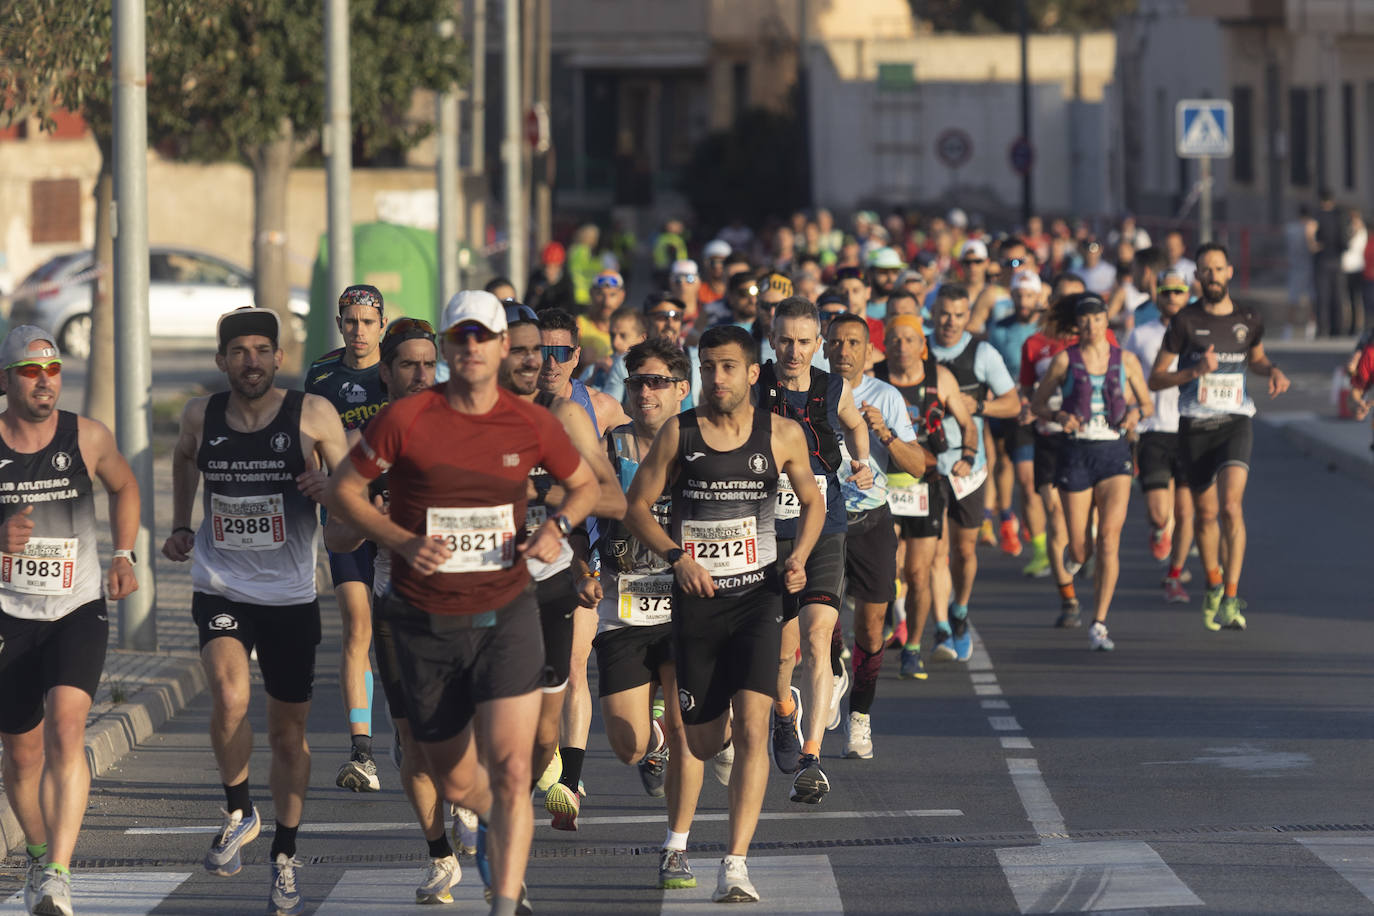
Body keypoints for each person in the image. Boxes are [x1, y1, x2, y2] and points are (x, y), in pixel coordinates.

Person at [326, 290, 600, 916]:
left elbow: (584, 486)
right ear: (450, 348)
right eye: (462, 338)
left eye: (484, 337)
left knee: (510, 770)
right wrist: (400, 539)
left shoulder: (529, 422)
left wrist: (555, 532)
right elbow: (346, 492)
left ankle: (505, 896)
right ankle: (478, 821)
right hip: (423, 620)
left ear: (502, 347)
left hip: (507, 614)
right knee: (447, 772)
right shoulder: (406, 420)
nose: (472, 348)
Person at [623, 324, 823, 903]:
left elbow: (811, 501)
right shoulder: (677, 435)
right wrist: (676, 558)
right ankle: (724, 733)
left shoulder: (781, 434)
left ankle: (734, 863)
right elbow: (637, 507)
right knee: (706, 742)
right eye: (708, 367)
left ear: (753, 373)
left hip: (759, 600)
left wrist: (800, 559)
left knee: (756, 729)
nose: (717, 378)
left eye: (728, 367)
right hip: (698, 607)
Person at [163, 308, 350, 916]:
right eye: (239, 351)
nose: (250, 361)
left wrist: (333, 493)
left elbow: (356, 486)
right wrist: (180, 524)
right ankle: (239, 808)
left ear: (278, 358)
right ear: (222, 361)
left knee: (288, 734)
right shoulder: (202, 414)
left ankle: (285, 855)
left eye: (261, 350)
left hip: (292, 594)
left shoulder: (313, 415)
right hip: (221, 584)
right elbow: (184, 457)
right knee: (229, 694)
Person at [322, 317, 471, 904]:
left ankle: (464, 794)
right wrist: (372, 514)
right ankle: (440, 857)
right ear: (384, 373)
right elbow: (336, 537)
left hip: (469, 602)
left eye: (426, 364)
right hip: (398, 609)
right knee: (412, 742)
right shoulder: (366, 449)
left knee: (468, 730)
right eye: (406, 365)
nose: (419, 375)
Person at [0, 326, 140, 916]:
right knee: (21, 752)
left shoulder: (85, 436)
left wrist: (124, 553)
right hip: (9, 613)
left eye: (53, 370)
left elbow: (126, 484)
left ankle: (57, 871)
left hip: (77, 605)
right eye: (32, 372)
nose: (45, 382)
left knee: (66, 725)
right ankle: (35, 852)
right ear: (7, 379)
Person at [584, 339, 710, 888]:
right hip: (623, 610)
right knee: (626, 742)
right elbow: (581, 513)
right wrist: (581, 568)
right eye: (637, 381)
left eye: (658, 381)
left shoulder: (704, 448)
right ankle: (651, 741)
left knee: (689, 731)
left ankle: (677, 845)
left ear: (683, 389)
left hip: (688, 610)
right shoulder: (608, 448)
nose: (646, 391)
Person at [496, 304, 625, 833]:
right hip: (489, 572)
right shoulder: (476, 411)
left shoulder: (592, 408)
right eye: (530, 351)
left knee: (573, 668)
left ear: (574, 356)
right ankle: (486, 798)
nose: (543, 362)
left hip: (574, 558)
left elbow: (620, 489)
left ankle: (565, 779)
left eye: (553, 352)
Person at [757, 298, 873, 801]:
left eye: (805, 341)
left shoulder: (833, 388)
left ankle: (811, 757)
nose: (794, 351)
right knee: (781, 653)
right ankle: (784, 710)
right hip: (765, 525)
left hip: (823, 522)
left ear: (817, 341)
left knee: (819, 633)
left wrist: (861, 462)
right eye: (785, 340)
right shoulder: (753, 386)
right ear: (772, 337)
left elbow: (855, 423)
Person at [1149, 243, 1289, 631]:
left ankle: (1230, 595)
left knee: (1230, 508)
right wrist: (1194, 372)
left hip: (1235, 421)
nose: (1212, 276)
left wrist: (1273, 370)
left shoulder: (1248, 318)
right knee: (1206, 515)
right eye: (1204, 270)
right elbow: (1156, 378)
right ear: (1197, 277)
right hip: (1195, 425)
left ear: (1230, 272)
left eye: (1218, 268)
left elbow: (1256, 358)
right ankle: (1212, 582)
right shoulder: (1185, 322)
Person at [825, 313, 931, 754]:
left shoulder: (885, 396)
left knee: (870, 632)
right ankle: (829, 675)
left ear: (870, 352)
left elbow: (918, 466)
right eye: (836, 342)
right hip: (821, 521)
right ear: (823, 347)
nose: (844, 351)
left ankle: (860, 716)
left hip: (872, 521)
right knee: (817, 622)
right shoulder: (807, 391)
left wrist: (883, 432)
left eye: (854, 343)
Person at [303, 284, 390, 794]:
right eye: (350, 321)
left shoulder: (399, 371)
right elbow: (308, 437)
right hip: (345, 515)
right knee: (358, 628)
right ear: (340, 324)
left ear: (382, 325)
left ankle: (408, 727)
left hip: (399, 515)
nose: (359, 331)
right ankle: (362, 750)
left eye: (367, 322)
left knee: (398, 632)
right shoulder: (321, 373)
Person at [1031, 293, 1153, 651]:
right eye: (1085, 321)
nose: (1091, 327)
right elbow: (1038, 403)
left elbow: (1145, 403)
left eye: (1098, 320)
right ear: (1077, 326)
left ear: (1105, 322)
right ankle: (1076, 557)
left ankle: (1099, 621)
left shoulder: (1125, 360)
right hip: (1076, 452)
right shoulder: (1063, 362)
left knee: (1110, 539)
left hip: (1114, 453)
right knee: (1081, 548)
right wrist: (1059, 416)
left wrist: (1134, 415)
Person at [875, 314, 976, 679]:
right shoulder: (874, 376)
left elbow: (968, 424)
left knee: (918, 573)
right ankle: (887, 615)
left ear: (923, 345)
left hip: (925, 483)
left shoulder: (940, 378)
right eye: (895, 339)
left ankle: (913, 647)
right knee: (889, 566)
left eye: (909, 339)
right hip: (881, 483)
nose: (902, 346)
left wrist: (967, 456)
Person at [926, 285, 1021, 660]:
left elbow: (1012, 402)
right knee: (936, 554)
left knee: (965, 551)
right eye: (944, 314)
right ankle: (942, 629)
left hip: (970, 467)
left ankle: (960, 609)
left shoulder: (980, 353)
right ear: (933, 315)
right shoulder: (920, 349)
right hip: (928, 466)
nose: (950, 322)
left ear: (968, 317)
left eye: (958, 315)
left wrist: (977, 404)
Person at [1125, 271, 1196, 604]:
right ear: (1157, 296)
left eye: (1177, 291)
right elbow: (1126, 375)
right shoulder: (1141, 334)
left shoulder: (1198, 332)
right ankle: (1158, 531)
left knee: (1186, 512)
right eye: (1165, 291)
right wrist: (1129, 413)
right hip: (1153, 429)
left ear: (1187, 295)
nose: (1171, 296)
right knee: (1159, 513)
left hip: (1190, 428)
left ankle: (1174, 575)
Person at [986, 270, 1048, 569]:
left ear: (1039, 297)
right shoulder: (999, 329)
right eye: (1019, 295)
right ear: (1011, 296)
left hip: (1042, 412)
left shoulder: (1048, 330)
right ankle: (1009, 518)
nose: (1024, 301)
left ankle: (1044, 544)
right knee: (1005, 463)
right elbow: (987, 366)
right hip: (1009, 409)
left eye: (1029, 296)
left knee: (1035, 479)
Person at [582, 305, 647, 401]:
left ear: (642, 339)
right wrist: (592, 378)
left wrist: (616, 374)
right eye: (612, 335)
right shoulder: (595, 368)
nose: (615, 343)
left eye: (623, 335)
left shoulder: (650, 370)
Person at [1313, 190, 1348, 337]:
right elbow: (1344, 241)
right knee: (1337, 296)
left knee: (1322, 297)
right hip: (1336, 260)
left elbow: (1312, 239)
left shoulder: (1317, 217)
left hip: (1322, 260)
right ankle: (1337, 329)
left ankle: (1322, 330)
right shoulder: (1339, 217)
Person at [575, 270, 625, 371]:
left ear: (622, 296)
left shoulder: (632, 328)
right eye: (600, 294)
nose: (606, 302)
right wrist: (577, 359)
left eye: (612, 295)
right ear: (591, 294)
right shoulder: (578, 325)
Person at [526, 242, 576, 314]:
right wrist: (535, 295)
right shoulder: (536, 278)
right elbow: (528, 306)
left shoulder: (566, 281)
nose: (548, 270)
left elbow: (571, 308)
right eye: (545, 266)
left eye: (552, 267)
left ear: (559, 266)